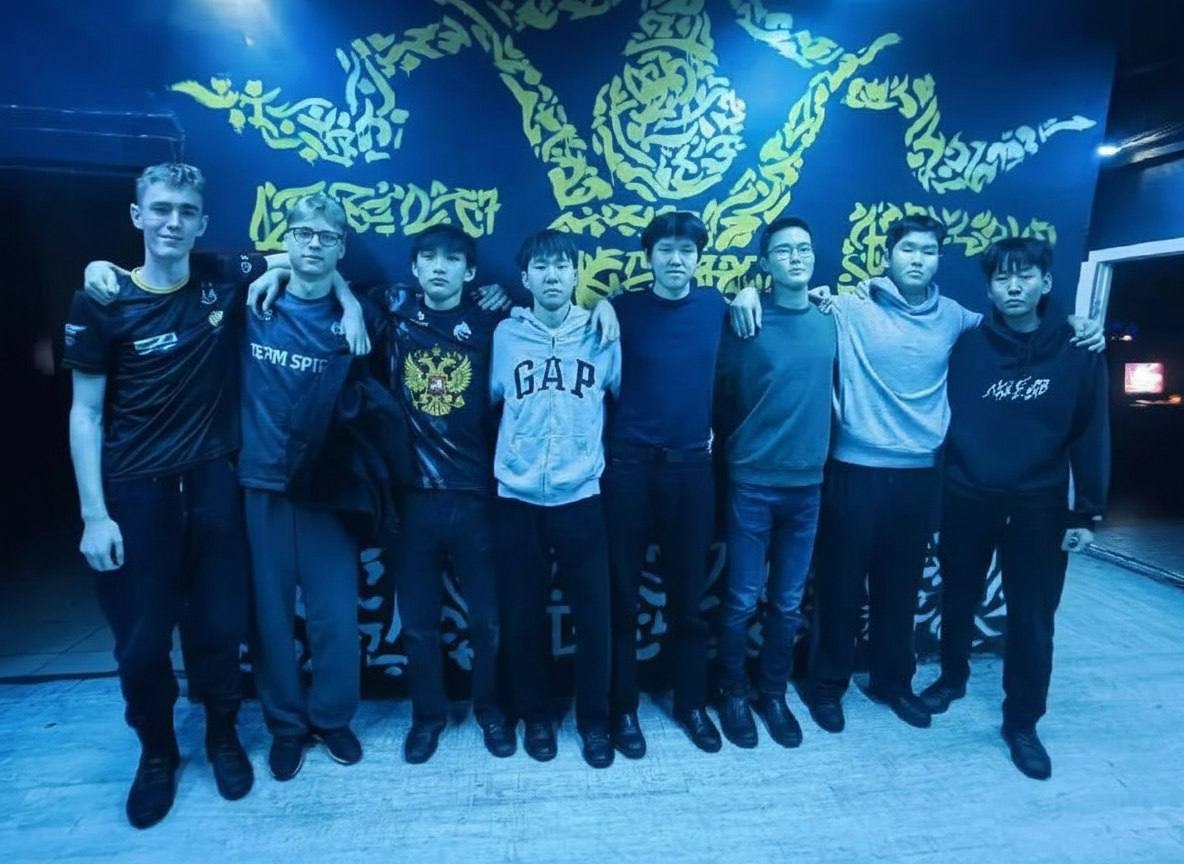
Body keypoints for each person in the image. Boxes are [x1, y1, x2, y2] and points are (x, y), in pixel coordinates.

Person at [728, 215, 1104, 736]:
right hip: (852, 470)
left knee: (900, 591)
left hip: (920, 478)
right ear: (888, 256)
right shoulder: (847, 306)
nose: (917, 259)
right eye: (907, 249)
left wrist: (1076, 323)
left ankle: (892, 682)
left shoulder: (959, 320)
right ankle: (827, 686)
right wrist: (746, 290)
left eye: (928, 251)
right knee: (839, 589)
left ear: (938, 260)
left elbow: (1023, 322)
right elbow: (788, 299)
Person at [64, 163, 269, 828]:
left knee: (219, 626)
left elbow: (303, 258)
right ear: (137, 216)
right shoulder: (101, 299)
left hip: (213, 483)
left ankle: (222, 735)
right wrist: (94, 515)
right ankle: (157, 751)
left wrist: (348, 302)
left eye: (185, 211)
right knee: (142, 640)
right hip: (135, 494)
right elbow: (85, 413)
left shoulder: (221, 277)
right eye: (160, 208)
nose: (172, 221)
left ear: (202, 222)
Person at [918, 237, 1109, 780]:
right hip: (966, 494)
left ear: (1045, 282)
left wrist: (1086, 511)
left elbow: (1092, 431)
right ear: (989, 288)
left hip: (1039, 503)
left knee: (1032, 616)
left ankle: (1022, 721)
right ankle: (952, 678)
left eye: (1025, 276)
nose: (1014, 287)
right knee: (958, 596)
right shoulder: (967, 345)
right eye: (1002, 278)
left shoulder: (1078, 350)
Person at [237, 193, 378, 781]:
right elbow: (182, 263)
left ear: (342, 247)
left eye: (327, 237)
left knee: (335, 618)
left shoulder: (359, 319)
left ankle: (333, 718)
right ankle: (286, 727)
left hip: (326, 488)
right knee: (271, 618)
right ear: (286, 238)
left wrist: (349, 299)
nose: (314, 244)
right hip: (262, 479)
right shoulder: (251, 300)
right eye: (303, 234)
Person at [490, 229, 621, 768]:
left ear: (576, 274)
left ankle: (594, 720)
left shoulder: (601, 332)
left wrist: (607, 305)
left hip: (580, 493)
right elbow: (491, 400)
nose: (551, 276)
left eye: (562, 266)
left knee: (594, 617)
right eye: (541, 267)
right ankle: (536, 717)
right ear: (525, 278)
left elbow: (620, 395)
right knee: (522, 614)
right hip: (517, 495)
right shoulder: (504, 335)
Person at [604, 211, 728, 757]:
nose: (676, 260)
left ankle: (691, 703)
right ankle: (623, 707)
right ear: (649, 256)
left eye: (686, 251)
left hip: (690, 468)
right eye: (666, 250)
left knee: (689, 599)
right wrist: (601, 304)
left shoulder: (718, 307)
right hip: (628, 466)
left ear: (698, 258)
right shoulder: (621, 309)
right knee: (621, 596)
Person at [714, 216, 835, 749]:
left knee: (787, 603)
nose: (796, 258)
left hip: (808, 487)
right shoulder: (745, 319)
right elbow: (720, 395)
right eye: (783, 251)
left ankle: (773, 693)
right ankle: (732, 692)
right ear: (765, 263)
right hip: (752, 482)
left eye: (804, 249)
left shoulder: (833, 318)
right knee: (741, 600)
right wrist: (743, 292)